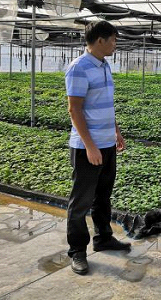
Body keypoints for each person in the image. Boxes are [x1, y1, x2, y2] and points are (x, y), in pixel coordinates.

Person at [65, 20, 130, 276]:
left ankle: (103, 238)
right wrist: (90, 146)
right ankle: (77, 251)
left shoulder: (104, 65)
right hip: (87, 148)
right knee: (81, 201)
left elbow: (106, 104)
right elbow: (75, 109)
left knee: (103, 196)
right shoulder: (79, 68)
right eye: (113, 40)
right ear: (100, 40)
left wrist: (116, 132)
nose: (115, 44)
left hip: (107, 144)